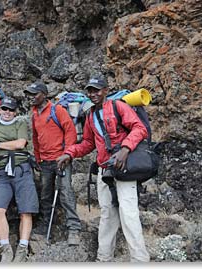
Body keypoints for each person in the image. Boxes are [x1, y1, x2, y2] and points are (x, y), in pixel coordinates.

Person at [57, 77, 150, 262]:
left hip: (124, 168)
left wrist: (125, 149)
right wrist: (70, 153)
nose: (93, 94)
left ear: (106, 90)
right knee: (107, 213)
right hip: (104, 170)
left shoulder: (118, 106)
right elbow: (88, 143)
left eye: (97, 90)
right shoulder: (90, 115)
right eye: (90, 91)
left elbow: (139, 129)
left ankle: (140, 260)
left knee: (128, 212)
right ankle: (104, 258)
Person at [0, 97, 39, 262]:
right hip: (3, 172)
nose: (7, 112)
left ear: (16, 112)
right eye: (4, 109)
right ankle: (5, 248)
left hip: (21, 168)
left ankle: (22, 249)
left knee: (26, 211)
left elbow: (20, 143)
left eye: (11, 110)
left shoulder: (20, 124)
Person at [23, 81, 81, 246]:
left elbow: (70, 131)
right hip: (46, 162)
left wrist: (67, 154)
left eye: (35, 94)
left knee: (66, 192)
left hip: (61, 159)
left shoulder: (57, 110)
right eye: (30, 94)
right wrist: (38, 157)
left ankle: (74, 229)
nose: (32, 97)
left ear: (44, 94)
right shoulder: (34, 115)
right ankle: (46, 224)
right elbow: (35, 138)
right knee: (45, 194)